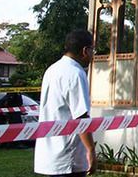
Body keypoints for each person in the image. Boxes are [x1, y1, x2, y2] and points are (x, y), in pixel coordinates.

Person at [34, 29, 97, 177]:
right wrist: (91, 150)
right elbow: (80, 117)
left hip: (51, 153)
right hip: (68, 157)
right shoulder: (76, 73)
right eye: (93, 50)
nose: (93, 54)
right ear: (85, 50)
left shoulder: (52, 69)